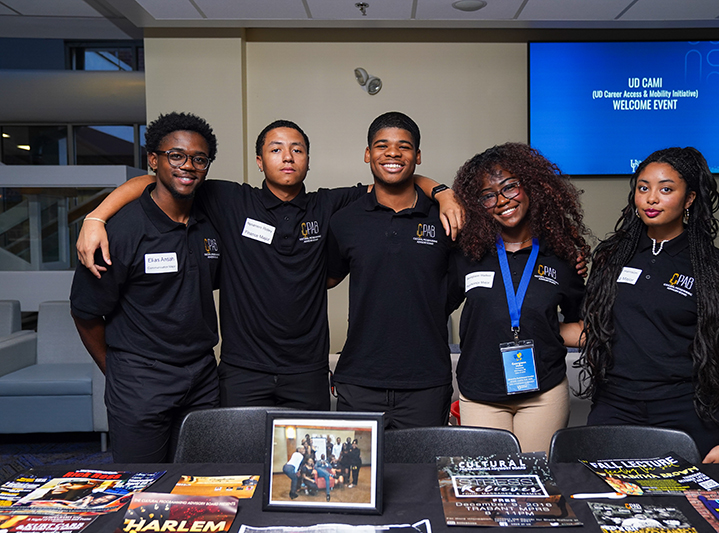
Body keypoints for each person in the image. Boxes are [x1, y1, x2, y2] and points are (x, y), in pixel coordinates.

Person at [76, 120, 462, 411]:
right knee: (240, 467)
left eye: (297, 149)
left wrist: (443, 193)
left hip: (307, 371)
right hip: (243, 370)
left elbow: (395, 176)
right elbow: (155, 180)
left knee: (304, 478)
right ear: (260, 161)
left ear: (308, 161)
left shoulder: (330, 206)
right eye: (276, 150)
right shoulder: (229, 200)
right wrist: (97, 217)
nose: (288, 157)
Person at [577, 147, 719, 463]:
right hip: (616, 406)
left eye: (666, 189)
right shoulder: (612, 256)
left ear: (689, 199)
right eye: (643, 187)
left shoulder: (714, 266)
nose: (651, 198)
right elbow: (591, 329)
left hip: (687, 410)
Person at [70, 112, 221, 463]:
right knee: (141, 487)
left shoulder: (212, 217)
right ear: (153, 160)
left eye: (199, 159)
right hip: (140, 381)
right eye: (176, 156)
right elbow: (85, 312)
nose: (188, 166)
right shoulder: (121, 231)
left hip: (202, 376)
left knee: (203, 484)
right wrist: (119, 369)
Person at [448, 143, 589, 453]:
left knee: (537, 485)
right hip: (480, 392)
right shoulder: (466, 255)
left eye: (510, 187)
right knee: (489, 489)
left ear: (532, 187)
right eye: (488, 195)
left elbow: (584, 325)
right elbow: (431, 312)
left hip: (543, 395)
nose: (502, 201)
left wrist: (549, 329)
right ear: (477, 204)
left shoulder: (561, 257)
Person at [327, 112, 453, 429]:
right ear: (368, 154)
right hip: (359, 381)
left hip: (426, 383)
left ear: (418, 156)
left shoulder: (446, 218)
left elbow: (467, 281)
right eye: (382, 145)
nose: (393, 153)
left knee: (424, 478)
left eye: (404, 146)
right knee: (355, 478)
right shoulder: (345, 220)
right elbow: (325, 279)